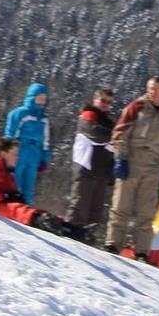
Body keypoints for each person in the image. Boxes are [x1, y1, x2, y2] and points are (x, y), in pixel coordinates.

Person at [106, 76, 159, 259]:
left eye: (157, 89)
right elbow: (121, 133)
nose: (153, 92)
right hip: (133, 160)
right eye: (151, 88)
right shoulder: (136, 108)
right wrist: (121, 158)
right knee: (121, 205)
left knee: (146, 212)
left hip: (153, 166)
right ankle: (113, 244)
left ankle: (141, 251)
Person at [0, 138, 72, 235]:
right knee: (15, 209)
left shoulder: (8, 174)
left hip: (2, 206)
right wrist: (5, 196)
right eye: (14, 155)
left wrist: (16, 196)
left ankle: (66, 226)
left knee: (19, 208)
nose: (17, 158)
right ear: (3, 153)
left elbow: (11, 196)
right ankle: (40, 220)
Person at [65, 89, 117, 240]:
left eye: (109, 102)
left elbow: (114, 146)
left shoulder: (108, 123)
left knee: (95, 211)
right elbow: (97, 136)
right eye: (103, 101)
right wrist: (115, 136)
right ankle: (71, 232)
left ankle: (88, 237)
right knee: (79, 204)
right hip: (85, 166)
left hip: (101, 171)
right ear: (95, 100)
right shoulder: (88, 115)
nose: (106, 105)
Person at [2, 83, 52, 204]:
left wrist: (44, 158)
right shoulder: (20, 113)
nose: (42, 101)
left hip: (34, 154)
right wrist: (7, 155)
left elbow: (45, 141)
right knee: (15, 182)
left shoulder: (44, 119)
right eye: (40, 97)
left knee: (28, 187)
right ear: (32, 96)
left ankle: (26, 211)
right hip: (20, 152)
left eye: (44, 98)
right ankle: (12, 206)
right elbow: (10, 134)